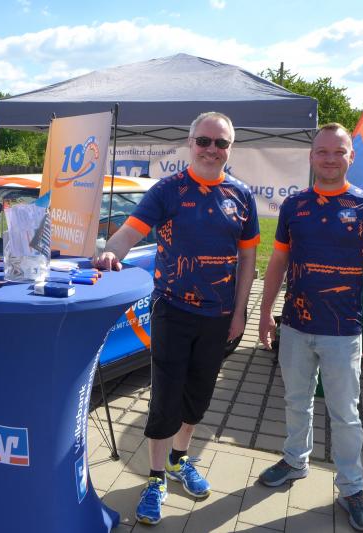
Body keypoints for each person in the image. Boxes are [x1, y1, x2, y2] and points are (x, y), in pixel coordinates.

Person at [94, 112, 259, 525]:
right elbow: (130, 231)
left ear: (230, 149)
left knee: (198, 395)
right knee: (166, 397)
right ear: (190, 142)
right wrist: (111, 251)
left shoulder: (241, 195)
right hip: (172, 309)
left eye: (221, 143)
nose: (211, 149)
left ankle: (179, 459)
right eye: (204, 141)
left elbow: (248, 258)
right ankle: (155, 478)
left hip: (218, 314)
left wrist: (240, 311)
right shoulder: (168, 190)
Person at [257, 123, 363, 533]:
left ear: (351, 156)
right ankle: (295, 461)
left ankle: (351, 488)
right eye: (322, 151)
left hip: (343, 331)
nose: (330, 159)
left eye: (339, 151)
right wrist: (264, 312)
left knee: (345, 415)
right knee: (295, 401)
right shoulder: (294, 206)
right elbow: (278, 262)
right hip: (295, 326)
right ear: (311, 156)